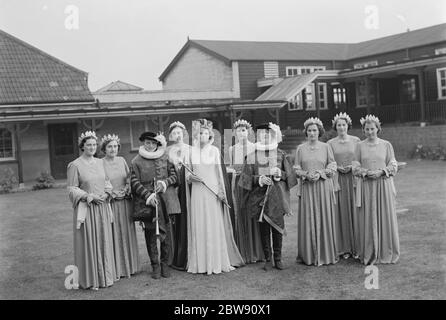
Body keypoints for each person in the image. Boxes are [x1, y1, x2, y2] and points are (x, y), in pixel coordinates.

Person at [186, 119, 244, 275]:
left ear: (209, 135)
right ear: (196, 135)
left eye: (205, 133)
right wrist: (191, 178)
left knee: (212, 223)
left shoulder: (214, 151)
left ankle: (216, 261)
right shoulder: (191, 152)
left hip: (212, 191)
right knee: (200, 223)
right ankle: (201, 264)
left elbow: (219, 174)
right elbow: (187, 174)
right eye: (200, 133)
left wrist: (221, 191)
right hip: (198, 192)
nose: (202, 135)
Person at [239, 122, 297, 271]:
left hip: (277, 197)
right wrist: (258, 179)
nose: (263, 136)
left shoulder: (281, 154)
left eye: (266, 134)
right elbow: (245, 179)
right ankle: (267, 258)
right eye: (260, 134)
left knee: (277, 229)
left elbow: (290, 177)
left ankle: (278, 258)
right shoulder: (252, 155)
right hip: (259, 198)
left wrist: (280, 174)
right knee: (264, 230)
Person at [67, 131, 117, 290]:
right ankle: (91, 279)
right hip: (87, 210)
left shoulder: (100, 162)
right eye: (88, 144)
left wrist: (107, 192)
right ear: (82, 146)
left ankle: (106, 277)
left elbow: (107, 181)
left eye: (94, 145)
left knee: (103, 240)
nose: (92, 147)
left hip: (102, 208)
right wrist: (89, 196)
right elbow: (72, 189)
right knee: (90, 242)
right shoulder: (74, 165)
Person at [130, 131, 180, 279]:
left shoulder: (165, 157)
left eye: (153, 143)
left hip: (165, 202)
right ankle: (155, 266)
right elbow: (133, 182)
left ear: (157, 144)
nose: (150, 145)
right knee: (151, 235)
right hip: (148, 204)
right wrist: (148, 195)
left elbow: (175, 176)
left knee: (166, 235)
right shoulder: (136, 161)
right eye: (147, 142)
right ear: (143, 143)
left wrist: (165, 183)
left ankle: (165, 265)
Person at [352, 115, 399, 265]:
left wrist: (382, 172)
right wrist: (365, 172)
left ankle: (386, 251)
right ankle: (370, 251)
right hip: (366, 186)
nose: (370, 131)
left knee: (385, 215)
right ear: (363, 130)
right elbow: (355, 166)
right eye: (367, 129)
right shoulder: (359, 145)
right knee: (367, 217)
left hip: (383, 185)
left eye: (372, 128)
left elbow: (393, 165)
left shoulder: (386, 145)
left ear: (378, 129)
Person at [294, 118, 339, 266]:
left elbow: (332, 165)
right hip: (307, 188)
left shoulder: (326, 147)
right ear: (306, 132)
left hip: (323, 187)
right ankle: (309, 254)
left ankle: (325, 253)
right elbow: (296, 168)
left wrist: (320, 173)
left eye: (315, 130)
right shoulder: (300, 148)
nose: (312, 133)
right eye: (309, 130)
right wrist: (305, 174)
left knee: (324, 217)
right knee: (308, 218)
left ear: (319, 131)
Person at [101, 134, 139, 278]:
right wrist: (111, 193)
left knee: (127, 232)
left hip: (125, 202)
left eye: (115, 146)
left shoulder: (122, 160)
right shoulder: (100, 163)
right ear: (104, 149)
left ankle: (131, 266)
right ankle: (117, 268)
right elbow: (101, 182)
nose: (113, 149)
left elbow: (129, 177)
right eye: (109, 146)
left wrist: (128, 187)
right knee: (113, 233)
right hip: (111, 203)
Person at [228, 119, 264, 264]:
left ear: (248, 132)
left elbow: (257, 166)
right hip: (238, 184)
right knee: (240, 214)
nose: (241, 133)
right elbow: (230, 167)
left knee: (253, 214)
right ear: (235, 132)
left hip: (251, 184)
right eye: (238, 130)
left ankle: (256, 251)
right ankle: (242, 252)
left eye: (243, 130)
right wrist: (233, 171)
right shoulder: (231, 149)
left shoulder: (254, 147)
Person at [327, 113, 361, 260]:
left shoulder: (356, 141)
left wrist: (352, 167)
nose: (341, 127)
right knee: (341, 212)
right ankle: (344, 248)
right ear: (335, 127)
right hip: (338, 179)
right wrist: (337, 168)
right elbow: (328, 161)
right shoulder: (330, 143)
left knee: (355, 211)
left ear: (348, 126)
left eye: (344, 125)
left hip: (353, 179)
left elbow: (359, 159)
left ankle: (357, 247)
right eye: (339, 125)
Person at [166, 121, 191, 270]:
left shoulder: (191, 150)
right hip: (175, 189)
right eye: (174, 133)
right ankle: (177, 255)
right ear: (170, 136)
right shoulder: (167, 151)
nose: (177, 135)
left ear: (184, 133)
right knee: (176, 221)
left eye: (179, 132)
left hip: (189, 187)